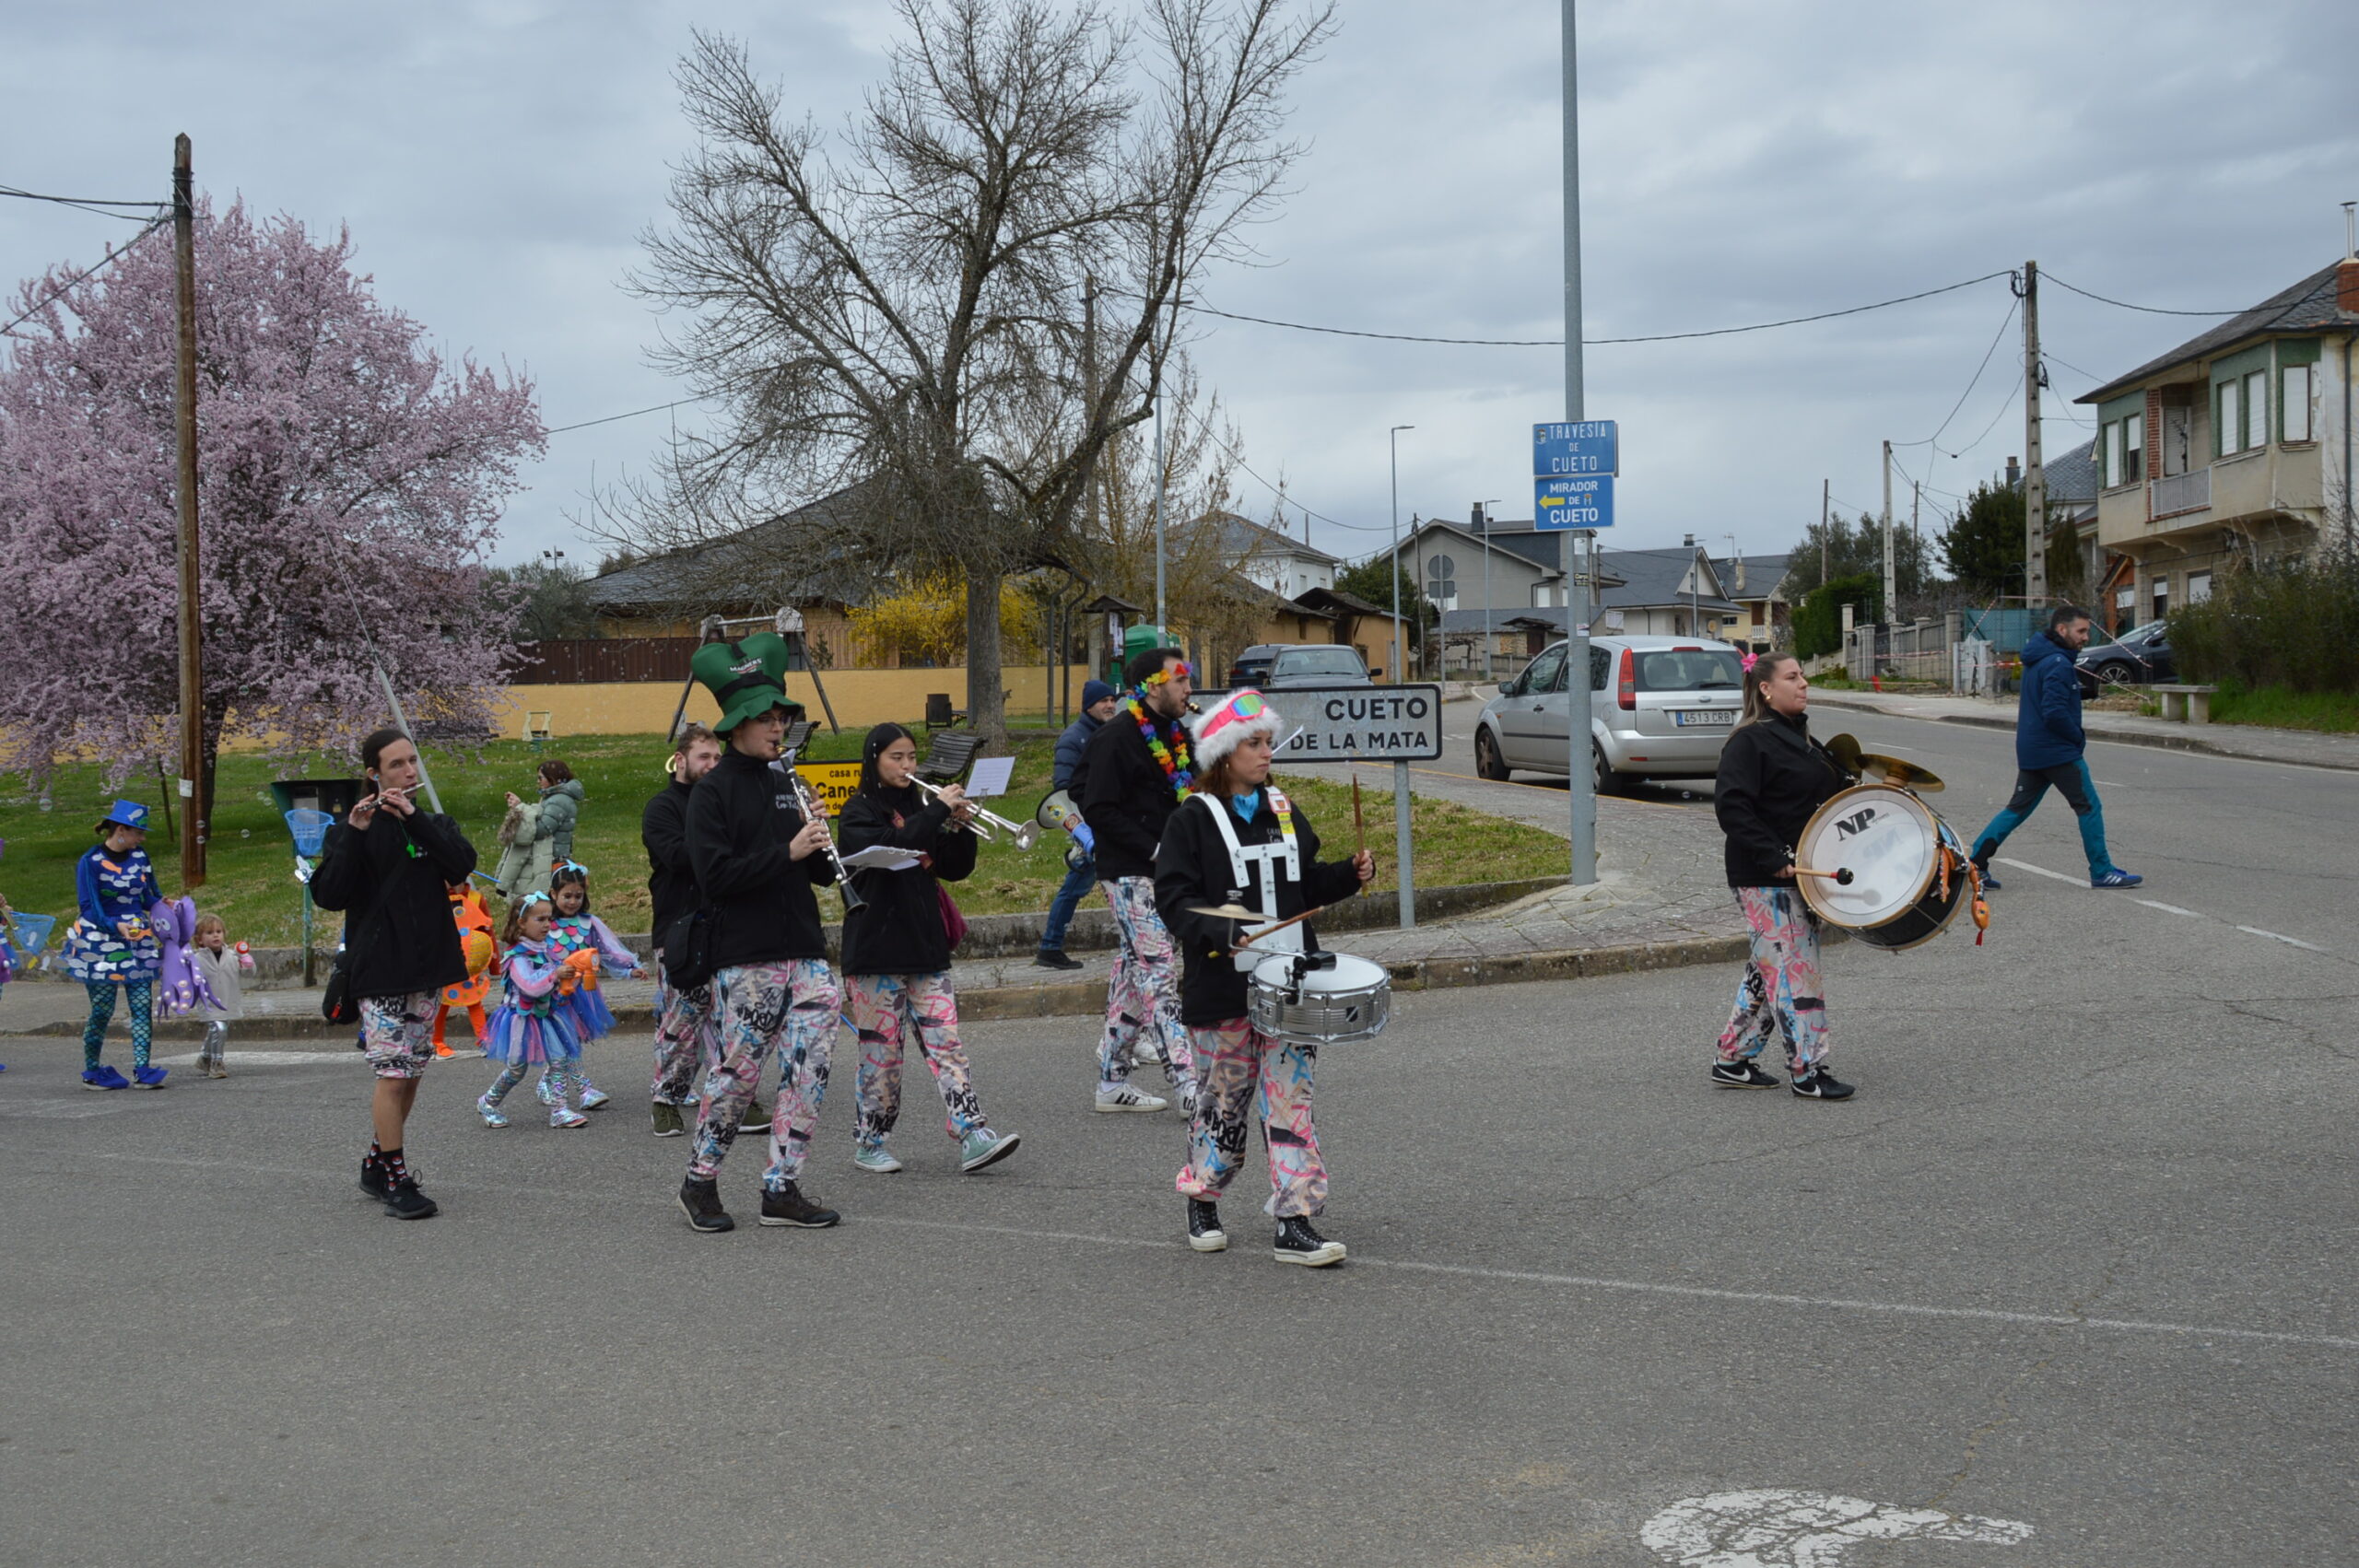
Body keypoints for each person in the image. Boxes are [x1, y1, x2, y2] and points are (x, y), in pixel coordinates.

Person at [1154, 691, 1373, 1266]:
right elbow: (1174, 900)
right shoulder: (1190, 820)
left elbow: (1306, 888)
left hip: (1291, 984)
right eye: (1253, 743)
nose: (1265, 752)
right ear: (1223, 754)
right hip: (1222, 987)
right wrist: (1219, 932)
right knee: (1223, 1105)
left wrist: (1348, 876)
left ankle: (1294, 1218)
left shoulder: (1281, 807)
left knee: (1292, 1102)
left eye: (1267, 742)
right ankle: (1202, 1198)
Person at [676, 632, 846, 1234]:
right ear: (737, 727)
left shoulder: (789, 783)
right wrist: (788, 849)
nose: (778, 728)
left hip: (804, 948)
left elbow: (822, 872)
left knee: (810, 1068)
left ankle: (781, 1185)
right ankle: (700, 1179)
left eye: (782, 718)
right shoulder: (713, 792)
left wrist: (824, 842)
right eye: (766, 720)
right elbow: (715, 877)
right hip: (745, 954)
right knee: (739, 1073)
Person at [836, 723, 1021, 1176]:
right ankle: (870, 1140)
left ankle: (972, 1131)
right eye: (896, 757)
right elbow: (894, 846)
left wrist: (960, 828)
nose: (906, 767)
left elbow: (956, 869)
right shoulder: (858, 811)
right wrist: (938, 810)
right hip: (876, 950)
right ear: (874, 759)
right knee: (883, 1057)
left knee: (947, 1045)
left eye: (912, 757)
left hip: (925, 945)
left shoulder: (923, 807)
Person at [311, 728, 479, 1220]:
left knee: (413, 1071)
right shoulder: (350, 829)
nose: (409, 773)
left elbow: (461, 866)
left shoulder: (431, 821)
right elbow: (330, 895)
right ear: (373, 774)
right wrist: (355, 836)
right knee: (391, 1072)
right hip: (379, 968)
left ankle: (376, 1161)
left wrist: (417, 818)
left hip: (428, 965)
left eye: (412, 763)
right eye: (396, 765)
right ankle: (396, 1178)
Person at [1711, 653, 1855, 1101]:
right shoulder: (1749, 741)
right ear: (1766, 689)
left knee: (1770, 968)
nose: (1804, 683)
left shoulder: (1802, 739)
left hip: (1799, 873)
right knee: (1795, 971)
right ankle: (1807, 1071)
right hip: (1764, 875)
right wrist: (1772, 854)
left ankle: (1732, 1059)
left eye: (1803, 675)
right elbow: (1732, 805)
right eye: (1793, 677)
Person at [1078, 649, 1201, 1115]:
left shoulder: (1176, 733)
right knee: (1159, 976)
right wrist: (1154, 849)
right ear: (1153, 684)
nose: (1188, 688)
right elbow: (1095, 804)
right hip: (1130, 872)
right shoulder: (1117, 736)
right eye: (1181, 679)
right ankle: (1189, 1086)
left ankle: (1111, 1081)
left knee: (1136, 972)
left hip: (1170, 871)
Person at [1969, 605, 2142, 891]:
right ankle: (2102, 871)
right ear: (2062, 630)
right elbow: (2054, 711)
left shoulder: (2038, 657)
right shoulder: (2058, 662)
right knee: (2089, 807)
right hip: (2057, 751)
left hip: (2033, 750)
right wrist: (2077, 736)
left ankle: (1976, 863)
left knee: (2016, 809)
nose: (2086, 637)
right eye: (2081, 631)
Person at [643, 722, 724, 1138]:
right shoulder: (663, 808)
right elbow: (677, 856)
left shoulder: (726, 802)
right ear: (680, 760)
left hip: (727, 926)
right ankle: (666, 1099)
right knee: (683, 1018)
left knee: (728, 1019)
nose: (712, 765)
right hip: (680, 929)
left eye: (717, 758)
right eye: (703, 758)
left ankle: (733, 1098)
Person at [62, 800, 166, 1091]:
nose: (142, 838)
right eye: (138, 832)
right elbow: (88, 907)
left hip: (138, 941)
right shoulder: (90, 862)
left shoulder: (140, 857)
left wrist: (165, 905)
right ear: (120, 830)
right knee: (102, 1009)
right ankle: (93, 1071)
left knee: (142, 1004)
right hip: (101, 944)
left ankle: (143, 1068)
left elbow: (149, 896)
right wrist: (114, 926)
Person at [475, 892, 591, 1129]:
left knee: (559, 1059)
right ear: (521, 923)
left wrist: (571, 975)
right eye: (540, 919)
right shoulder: (516, 957)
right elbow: (529, 985)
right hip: (521, 1019)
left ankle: (559, 1110)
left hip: (545, 1016)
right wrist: (554, 975)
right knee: (517, 1069)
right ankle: (487, 1102)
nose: (547, 924)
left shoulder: (543, 949)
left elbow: (554, 976)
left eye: (549, 919)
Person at [1034, 680, 1119, 971]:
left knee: (1099, 887)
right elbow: (1064, 790)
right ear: (1088, 706)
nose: (1110, 705)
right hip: (1091, 828)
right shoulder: (1074, 738)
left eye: (1112, 699)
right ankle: (1049, 947)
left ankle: (1051, 947)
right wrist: (1083, 833)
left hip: (1107, 824)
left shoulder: (1108, 732)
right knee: (1076, 888)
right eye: (1103, 701)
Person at [546, 861, 641, 1111]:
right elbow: (534, 952)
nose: (573, 901)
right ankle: (584, 1089)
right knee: (566, 1041)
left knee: (571, 1040)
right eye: (567, 895)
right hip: (552, 992)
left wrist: (631, 967)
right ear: (553, 894)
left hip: (583, 993)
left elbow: (609, 950)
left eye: (578, 896)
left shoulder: (590, 923)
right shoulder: (546, 925)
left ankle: (549, 1081)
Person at [432, 881, 496, 1059]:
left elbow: (487, 932)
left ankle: (484, 1041)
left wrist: (493, 965)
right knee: (442, 1004)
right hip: (443, 964)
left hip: (469, 964)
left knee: (474, 1001)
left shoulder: (475, 899)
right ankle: (436, 1042)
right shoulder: (433, 898)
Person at [506, 759, 584, 883]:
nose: (538, 781)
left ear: (552, 778)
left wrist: (521, 807)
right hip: (550, 856)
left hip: (552, 858)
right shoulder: (554, 798)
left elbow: (542, 829)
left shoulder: (559, 800)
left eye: (540, 778)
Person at [191, 912, 242, 1079]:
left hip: (227, 998)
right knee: (219, 1028)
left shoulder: (232, 955)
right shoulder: (196, 959)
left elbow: (246, 969)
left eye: (219, 932)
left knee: (218, 1029)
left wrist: (247, 962)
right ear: (199, 939)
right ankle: (216, 1063)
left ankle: (205, 1057)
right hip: (208, 1001)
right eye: (209, 932)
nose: (215, 935)